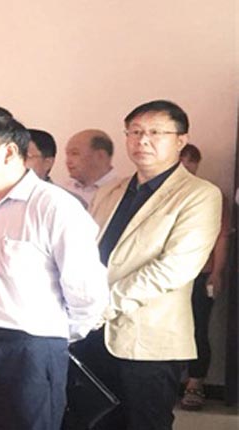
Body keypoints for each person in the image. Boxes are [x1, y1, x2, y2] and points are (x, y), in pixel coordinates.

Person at [0, 106, 109, 430]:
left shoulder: (54, 205)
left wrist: (48, 339)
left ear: (9, 152)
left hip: (27, 351)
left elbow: (86, 290)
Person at [80, 100, 222, 430]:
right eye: (135, 132)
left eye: (156, 132)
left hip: (148, 341)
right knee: (92, 421)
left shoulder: (199, 195)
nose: (143, 140)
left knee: (145, 423)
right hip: (91, 333)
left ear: (181, 140)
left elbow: (174, 268)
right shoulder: (111, 191)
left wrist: (103, 305)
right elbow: (84, 253)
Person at [177, 143, 230, 410]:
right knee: (171, 328)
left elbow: (221, 237)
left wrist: (217, 273)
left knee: (199, 328)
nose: (186, 168)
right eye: (182, 162)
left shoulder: (211, 195)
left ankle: (195, 382)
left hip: (201, 272)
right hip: (172, 275)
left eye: (191, 163)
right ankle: (169, 380)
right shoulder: (163, 194)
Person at [64, 129, 117, 207]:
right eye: (67, 154)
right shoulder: (63, 190)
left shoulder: (121, 191)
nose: (68, 161)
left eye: (75, 153)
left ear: (100, 156)